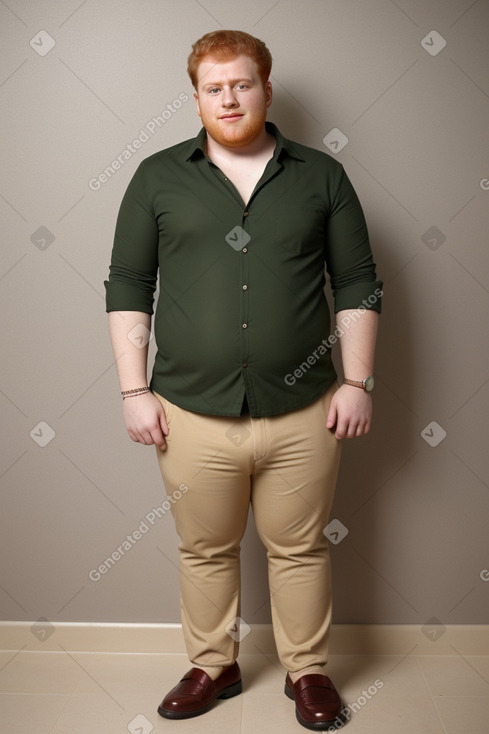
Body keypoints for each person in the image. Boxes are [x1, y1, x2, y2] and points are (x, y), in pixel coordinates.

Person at [105, 29, 382, 731]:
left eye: (241, 84)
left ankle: (308, 673)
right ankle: (212, 664)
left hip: (304, 407)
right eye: (213, 87)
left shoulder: (321, 175)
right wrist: (134, 391)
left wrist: (357, 381)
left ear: (264, 87)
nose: (228, 98)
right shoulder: (157, 177)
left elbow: (355, 281)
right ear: (196, 95)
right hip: (189, 410)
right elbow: (130, 283)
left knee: (299, 547)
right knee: (204, 548)